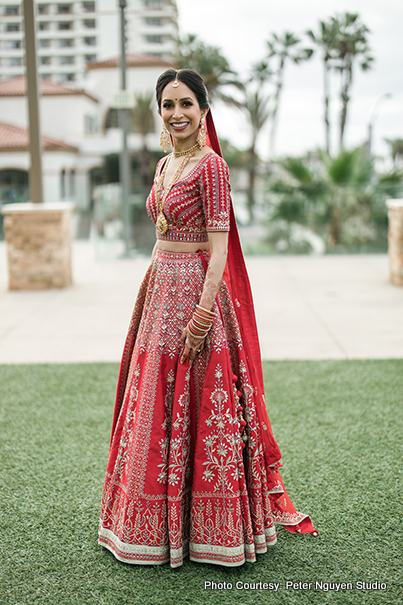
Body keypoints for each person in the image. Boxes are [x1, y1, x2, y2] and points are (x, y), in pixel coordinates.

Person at [98, 68, 317, 568]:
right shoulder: (163, 166)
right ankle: (149, 528)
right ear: (160, 111)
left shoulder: (211, 167)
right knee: (153, 398)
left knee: (203, 404)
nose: (177, 114)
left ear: (203, 111)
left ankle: (210, 531)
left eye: (186, 104)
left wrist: (200, 317)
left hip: (199, 297)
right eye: (168, 104)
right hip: (157, 294)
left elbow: (218, 251)